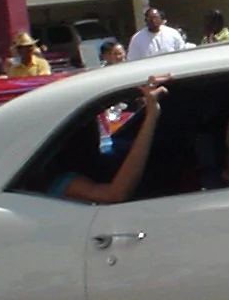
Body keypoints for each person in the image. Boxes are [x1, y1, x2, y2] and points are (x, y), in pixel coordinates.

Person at [50, 76, 168, 204]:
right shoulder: (61, 182)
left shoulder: (99, 161)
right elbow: (115, 194)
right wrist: (152, 115)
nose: (96, 128)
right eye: (89, 123)